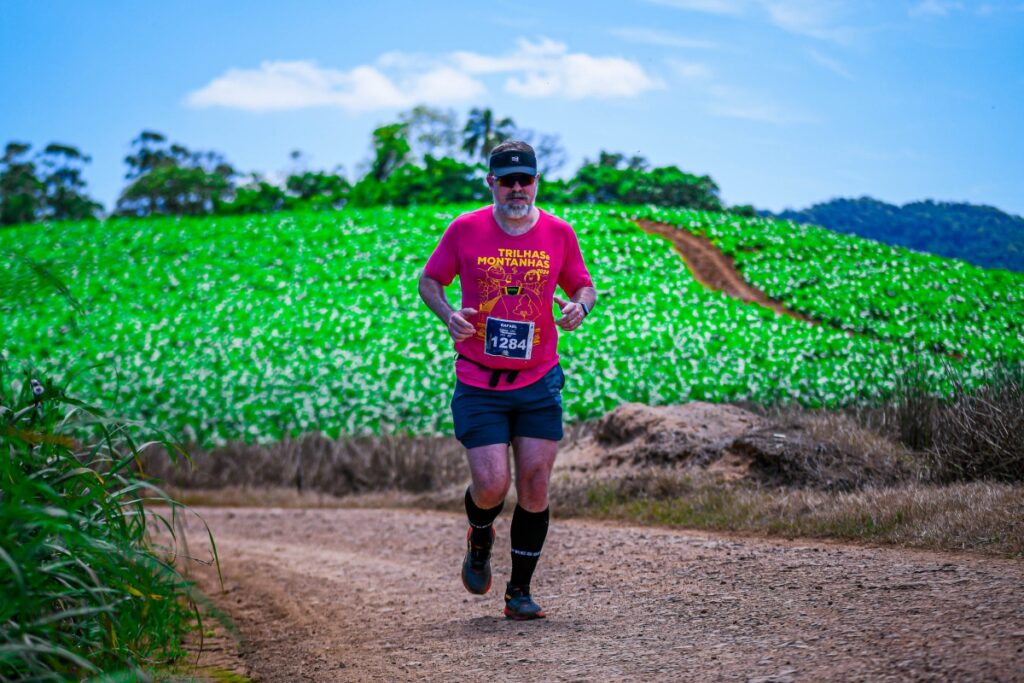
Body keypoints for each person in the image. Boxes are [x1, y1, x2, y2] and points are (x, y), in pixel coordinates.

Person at [418, 140, 596, 621]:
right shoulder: (466, 229)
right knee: (493, 485)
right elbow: (429, 281)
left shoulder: (559, 232)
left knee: (535, 485)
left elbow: (583, 284)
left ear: (536, 182)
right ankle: (480, 535)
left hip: (539, 379)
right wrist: (449, 314)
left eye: (526, 180)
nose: (518, 189)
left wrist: (581, 306)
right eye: (507, 180)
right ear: (491, 183)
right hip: (479, 380)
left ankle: (519, 592)